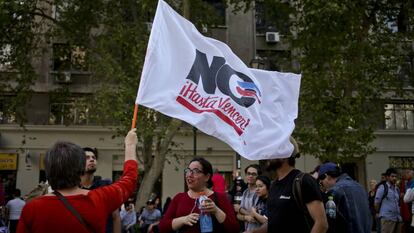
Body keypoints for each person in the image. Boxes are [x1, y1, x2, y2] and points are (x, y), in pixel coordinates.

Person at [17, 129, 138, 233]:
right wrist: (130, 145)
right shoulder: (99, 199)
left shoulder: (31, 209)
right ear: (80, 168)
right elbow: (129, 180)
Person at [246, 137, 328, 233]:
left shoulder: (304, 181)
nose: (268, 155)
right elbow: (274, 223)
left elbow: (321, 224)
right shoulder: (273, 185)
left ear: (284, 154)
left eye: (273, 150)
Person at [159, 157, 239, 233]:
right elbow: (162, 227)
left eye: (195, 171)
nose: (189, 175)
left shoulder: (220, 198)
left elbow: (235, 229)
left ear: (207, 177)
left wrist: (216, 211)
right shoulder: (179, 198)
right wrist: (183, 220)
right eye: (188, 171)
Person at [318, 162, 371, 233]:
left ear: (327, 177)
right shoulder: (360, 187)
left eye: (321, 183)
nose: (323, 187)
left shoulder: (334, 191)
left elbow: (330, 222)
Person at [81, 147, 122, 233]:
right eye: (87, 158)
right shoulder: (72, 188)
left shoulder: (106, 186)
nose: (92, 159)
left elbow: (116, 216)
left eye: (94, 157)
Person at [234, 164, 262, 231]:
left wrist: (241, 209)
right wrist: (246, 217)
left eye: (254, 174)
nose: (250, 176)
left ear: (259, 176)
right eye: (248, 173)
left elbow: (256, 217)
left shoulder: (260, 192)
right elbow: (238, 215)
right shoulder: (245, 192)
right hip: (247, 230)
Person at [375, 168, 403, 233]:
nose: (394, 178)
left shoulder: (396, 189)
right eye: (392, 176)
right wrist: (381, 213)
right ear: (387, 177)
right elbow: (376, 203)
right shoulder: (382, 188)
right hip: (387, 219)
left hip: (397, 218)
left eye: (395, 176)